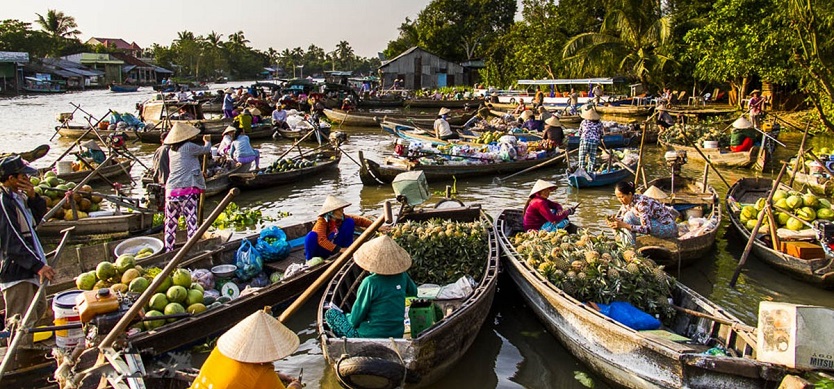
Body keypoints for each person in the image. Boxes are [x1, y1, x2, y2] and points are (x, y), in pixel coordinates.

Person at [0, 156, 54, 347]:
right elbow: (12, 241)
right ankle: (19, 365)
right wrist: (38, 266)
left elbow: (35, 223)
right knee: (21, 326)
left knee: (39, 314)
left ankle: (33, 356)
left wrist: (33, 197)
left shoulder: (19, 198)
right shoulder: (3, 201)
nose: (28, 179)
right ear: (11, 179)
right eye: (23, 176)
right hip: (18, 272)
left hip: (29, 268)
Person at [324, 235, 418, 338]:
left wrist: (347, 316)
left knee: (330, 314)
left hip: (369, 335)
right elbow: (413, 292)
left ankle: (346, 341)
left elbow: (355, 320)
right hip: (397, 333)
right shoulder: (402, 276)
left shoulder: (369, 282)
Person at [189, 308, 302, 389]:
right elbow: (255, 375)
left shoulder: (221, 351)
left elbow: (243, 374)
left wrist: (280, 376)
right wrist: (295, 386)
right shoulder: (262, 374)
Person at [163, 123, 212, 252]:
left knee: (170, 223)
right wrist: (207, 141)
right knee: (191, 222)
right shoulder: (189, 147)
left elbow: (184, 166)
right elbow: (206, 150)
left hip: (170, 191)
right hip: (186, 191)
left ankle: (169, 249)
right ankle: (191, 249)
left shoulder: (171, 151)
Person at [606, 180, 678, 245]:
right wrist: (615, 221)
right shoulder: (627, 203)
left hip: (669, 229)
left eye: (622, 197)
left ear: (630, 194)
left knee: (628, 216)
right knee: (626, 218)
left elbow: (647, 229)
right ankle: (626, 247)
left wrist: (624, 225)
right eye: (618, 197)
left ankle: (630, 248)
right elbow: (623, 219)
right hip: (655, 224)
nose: (620, 200)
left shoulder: (642, 204)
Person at [304, 195, 373, 260]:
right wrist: (340, 249)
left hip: (336, 245)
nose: (342, 211)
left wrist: (374, 225)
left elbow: (359, 220)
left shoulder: (341, 218)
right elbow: (322, 240)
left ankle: (347, 249)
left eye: (342, 209)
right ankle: (310, 260)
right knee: (311, 236)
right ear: (331, 212)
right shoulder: (322, 221)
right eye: (339, 210)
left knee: (349, 221)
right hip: (322, 249)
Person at [577, 106, 603, 173]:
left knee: (582, 156)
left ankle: (581, 170)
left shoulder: (584, 122)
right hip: (594, 141)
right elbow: (601, 133)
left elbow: (580, 132)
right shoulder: (599, 123)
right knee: (592, 157)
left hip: (584, 140)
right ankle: (590, 171)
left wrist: (581, 138)